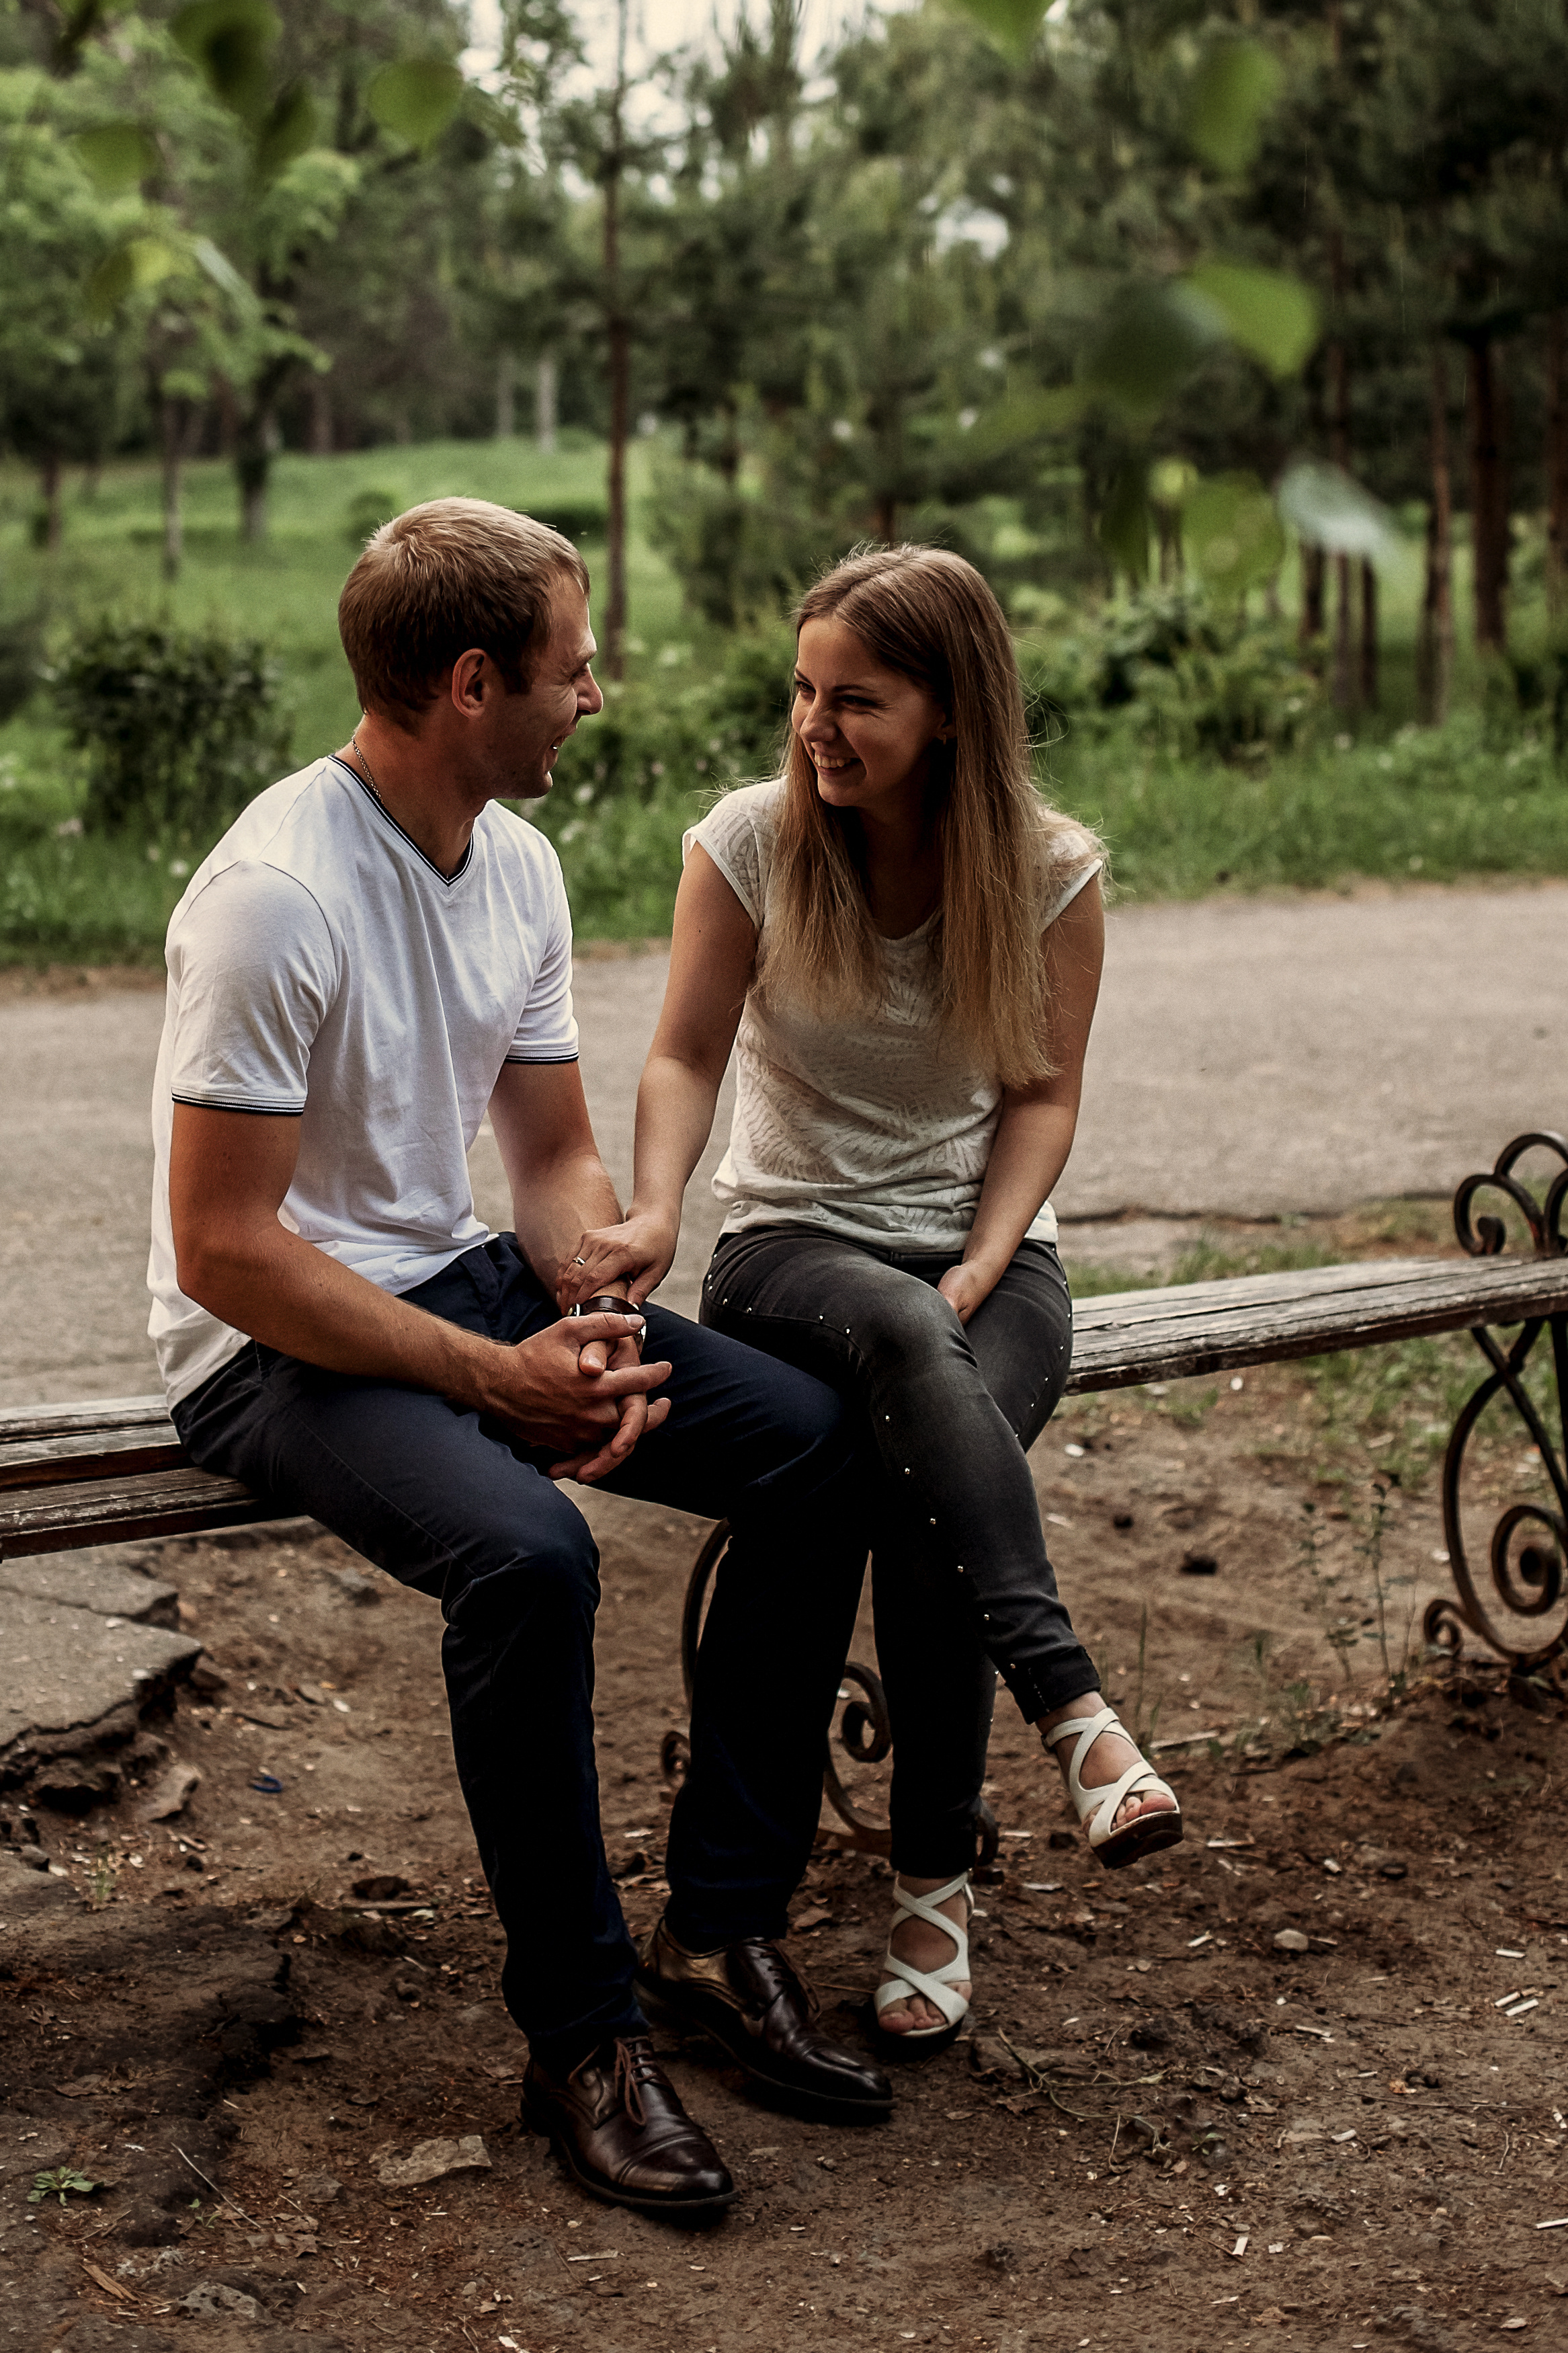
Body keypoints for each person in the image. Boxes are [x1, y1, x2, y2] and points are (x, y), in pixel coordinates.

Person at [148, 499, 893, 2221]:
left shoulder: (521, 864)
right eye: (573, 666)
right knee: (531, 1556)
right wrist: (501, 1383)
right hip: (272, 1343)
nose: (596, 695)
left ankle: (718, 1925)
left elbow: (545, 1149)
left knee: (812, 1444)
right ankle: (585, 2036)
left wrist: (601, 1264)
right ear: (471, 682)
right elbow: (228, 1249)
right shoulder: (274, 896)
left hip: (458, 1281)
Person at [563, 544, 1183, 2053]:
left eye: (858, 701)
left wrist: (981, 1258)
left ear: (953, 710)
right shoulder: (753, 843)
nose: (815, 728)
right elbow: (684, 1053)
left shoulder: (1048, 871)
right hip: (794, 1252)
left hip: (990, 1260)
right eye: (802, 691)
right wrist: (654, 1201)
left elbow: (1041, 1097)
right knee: (910, 1352)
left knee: (920, 1486)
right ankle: (1073, 1716)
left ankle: (933, 1886)